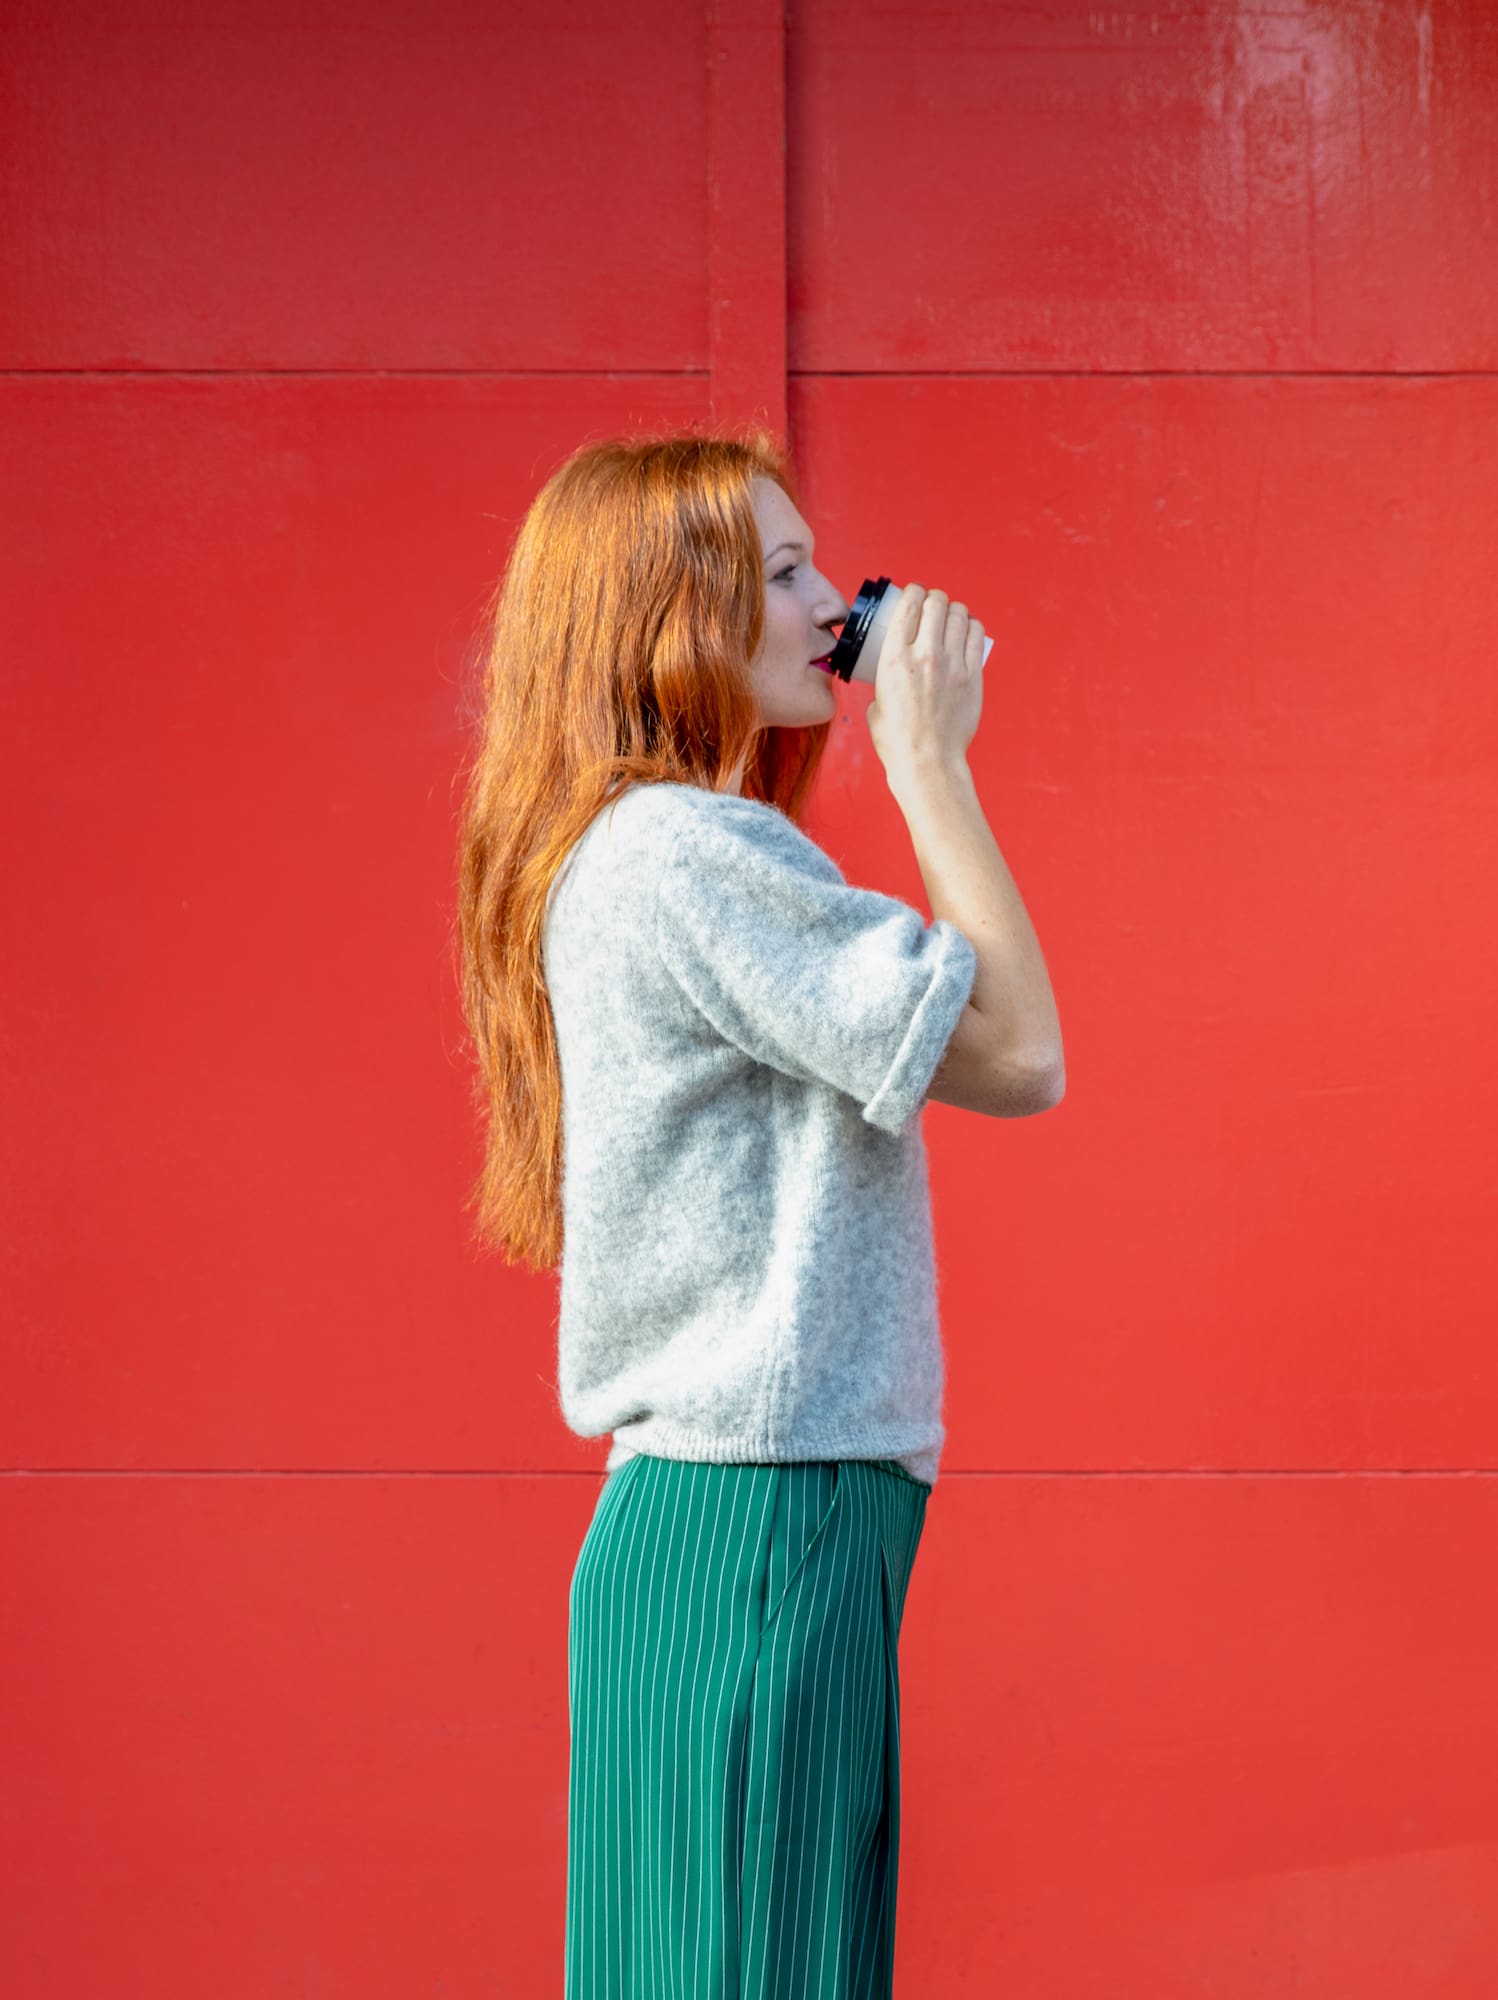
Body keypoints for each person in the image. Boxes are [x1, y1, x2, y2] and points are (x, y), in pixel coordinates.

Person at [452, 424, 1065, 1998]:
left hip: (738, 1513)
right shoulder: (682, 850)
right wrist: (931, 762)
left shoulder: (652, 849)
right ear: (670, 616)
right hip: (763, 1513)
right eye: (782, 572)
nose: (825, 606)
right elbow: (1018, 1055)